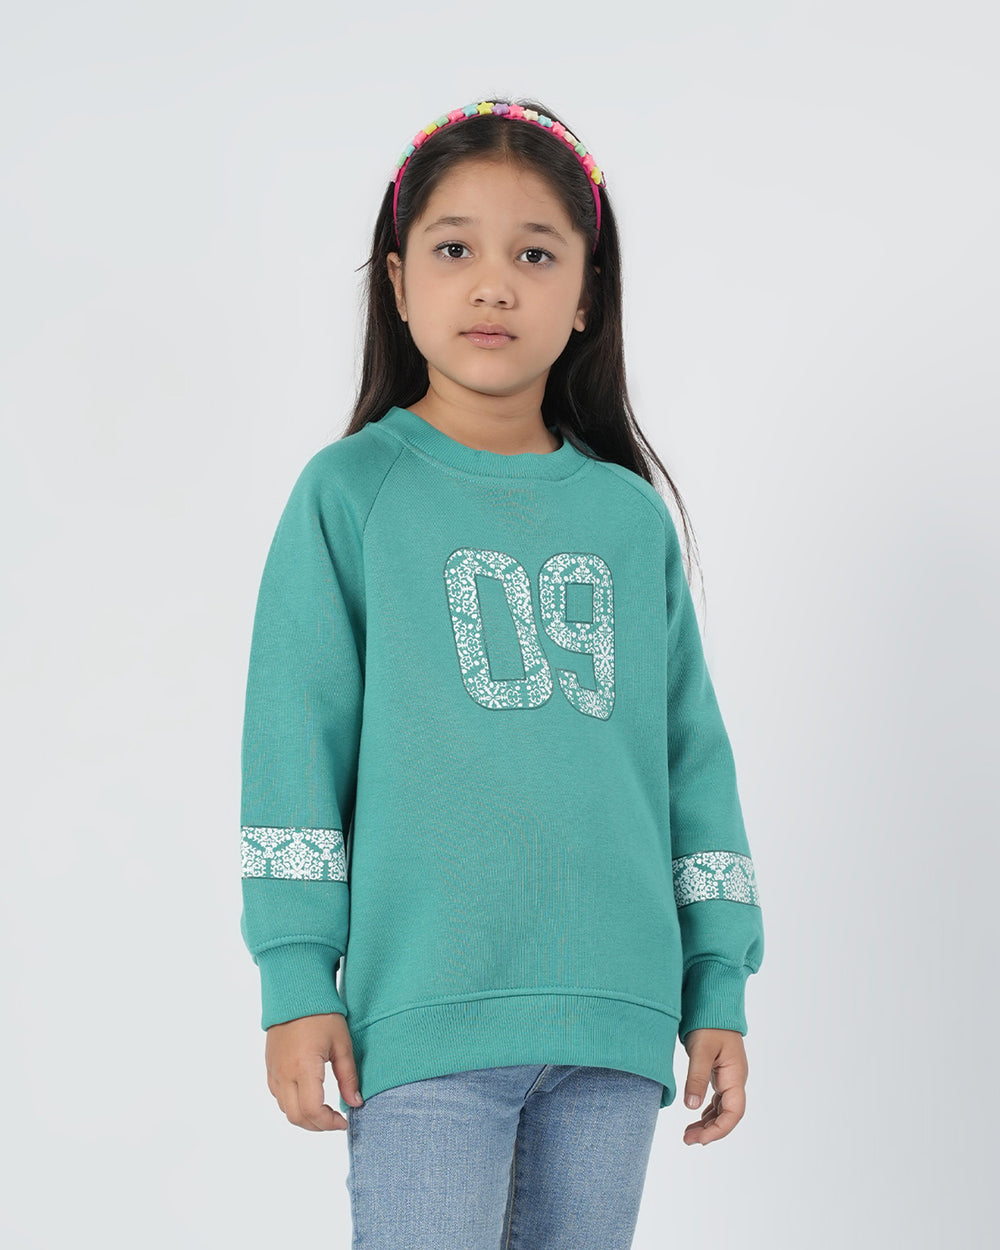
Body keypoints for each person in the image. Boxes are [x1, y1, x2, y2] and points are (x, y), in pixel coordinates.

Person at [239, 96, 765, 1249]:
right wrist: (296, 976)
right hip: (423, 1012)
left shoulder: (628, 518)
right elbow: (293, 743)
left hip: (616, 1015)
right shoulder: (350, 494)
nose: (492, 284)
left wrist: (716, 982)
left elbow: (692, 760)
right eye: (453, 249)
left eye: (533, 254)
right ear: (397, 282)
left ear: (585, 296)